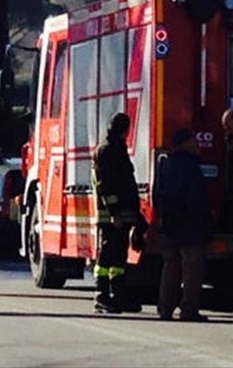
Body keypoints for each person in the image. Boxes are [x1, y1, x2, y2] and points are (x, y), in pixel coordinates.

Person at [154, 129, 213, 322]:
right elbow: (195, 197)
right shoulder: (190, 165)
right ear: (184, 144)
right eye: (192, 141)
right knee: (192, 269)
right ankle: (189, 310)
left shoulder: (165, 164)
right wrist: (204, 218)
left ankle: (165, 308)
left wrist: (164, 216)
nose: (196, 145)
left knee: (170, 266)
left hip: (170, 224)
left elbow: (157, 194)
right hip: (190, 225)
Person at [92, 112, 143, 314]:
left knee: (119, 257)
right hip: (111, 215)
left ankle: (118, 295)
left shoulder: (117, 148)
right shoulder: (106, 151)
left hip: (122, 213)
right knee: (107, 255)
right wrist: (114, 212)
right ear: (125, 129)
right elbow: (105, 185)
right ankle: (101, 295)